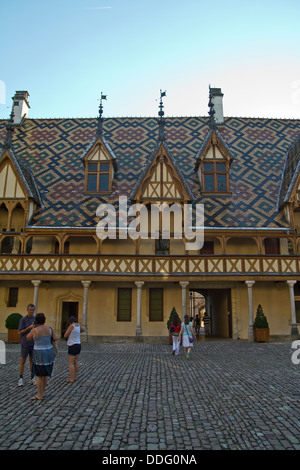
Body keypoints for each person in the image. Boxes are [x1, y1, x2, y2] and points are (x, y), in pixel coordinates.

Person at [26, 313, 57, 400]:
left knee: (39, 374)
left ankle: (39, 394)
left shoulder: (35, 330)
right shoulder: (49, 329)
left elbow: (28, 337)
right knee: (46, 373)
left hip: (39, 352)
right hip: (49, 351)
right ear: (44, 320)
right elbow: (56, 338)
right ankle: (42, 392)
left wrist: (32, 328)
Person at [18, 304, 36, 386]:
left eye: (32, 310)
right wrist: (29, 327)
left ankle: (32, 377)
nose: (31, 311)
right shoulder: (23, 320)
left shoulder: (35, 319)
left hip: (33, 343)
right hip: (25, 343)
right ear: (27, 310)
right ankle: (21, 378)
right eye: (30, 310)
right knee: (23, 360)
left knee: (32, 361)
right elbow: (20, 332)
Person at [64, 316, 85, 383]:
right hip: (78, 344)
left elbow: (65, 335)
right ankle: (75, 376)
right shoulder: (78, 325)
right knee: (76, 361)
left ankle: (71, 378)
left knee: (71, 363)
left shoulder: (71, 326)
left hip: (72, 345)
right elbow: (83, 330)